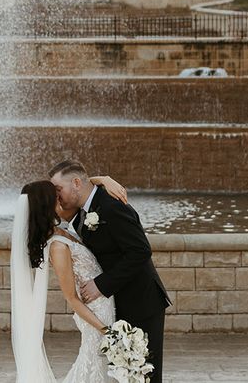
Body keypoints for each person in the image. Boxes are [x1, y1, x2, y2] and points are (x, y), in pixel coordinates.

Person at [49, 160, 171, 383]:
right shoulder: (81, 212)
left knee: (145, 375)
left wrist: (101, 284)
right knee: (124, 374)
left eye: (59, 190)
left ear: (76, 183)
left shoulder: (112, 205)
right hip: (116, 305)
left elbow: (140, 251)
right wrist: (101, 178)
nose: (57, 196)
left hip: (140, 302)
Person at [11, 175, 126, 382]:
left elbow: (79, 185)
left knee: (99, 368)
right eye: (55, 195)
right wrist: (107, 331)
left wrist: (103, 180)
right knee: (93, 366)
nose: (61, 198)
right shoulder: (57, 246)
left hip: (103, 303)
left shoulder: (62, 229)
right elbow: (71, 297)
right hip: (95, 314)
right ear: (47, 204)